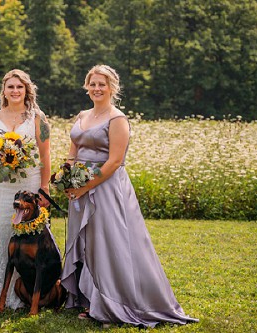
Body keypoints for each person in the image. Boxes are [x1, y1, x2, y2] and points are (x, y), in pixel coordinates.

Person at [61, 65, 198, 328]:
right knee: (87, 241)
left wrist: (84, 186)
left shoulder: (117, 119)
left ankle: (114, 302)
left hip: (106, 187)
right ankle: (89, 298)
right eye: (93, 84)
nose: (97, 88)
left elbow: (114, 162)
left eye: (102, 84)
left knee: (107, 241)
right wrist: (67, 176)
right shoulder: (82, 115)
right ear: (86, 87)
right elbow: (73, 150)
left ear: (112, 87)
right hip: (78, 185)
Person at [0, 69, 51, 309]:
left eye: (19, 87)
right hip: (2, 185)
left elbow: (46, 154)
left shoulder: (38, 118)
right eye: (11, 87)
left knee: (29, 236)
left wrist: (44, 187)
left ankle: (27, 293)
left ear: (27, 90)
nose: (15, 91)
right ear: (3, 91)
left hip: (30, 183)